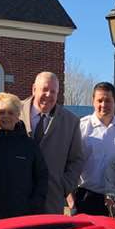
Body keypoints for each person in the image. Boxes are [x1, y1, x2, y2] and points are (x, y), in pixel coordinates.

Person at [19, 71, 84, 214]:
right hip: (15, 198)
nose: (48, 95)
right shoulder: (14, 112)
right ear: (34, 89)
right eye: (45, 89)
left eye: (53, 91)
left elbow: (77, 160)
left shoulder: (71, 122)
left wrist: (64, 186)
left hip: (51, 201)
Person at [0, 92, 48, 222]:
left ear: (17, 116)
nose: (6, 116)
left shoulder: (29, 145)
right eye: (1, 112)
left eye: (10, 113)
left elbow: (42, 176)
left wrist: (35, 204)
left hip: (23, 215)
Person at [75, 82, 115, 215]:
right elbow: (71, 161)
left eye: (108, 100)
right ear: (93, 101)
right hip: (87, 197)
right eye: (100, 100)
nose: (103, 105)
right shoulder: (81, 127)